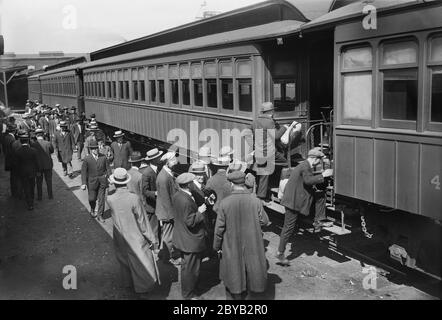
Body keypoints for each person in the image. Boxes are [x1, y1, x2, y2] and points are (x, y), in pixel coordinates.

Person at [214, 171, 270, 300]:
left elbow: (219, 229)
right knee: (251, 273)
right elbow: (265, 221)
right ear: (244, 183)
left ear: (231, 184)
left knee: (233, 274)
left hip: (231, 244)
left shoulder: (225, 203)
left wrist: (217, 246)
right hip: (252, 243)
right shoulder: (255, 201)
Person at [276, 148, 334, 266]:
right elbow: (308, 181)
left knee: (320, 196)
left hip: (294, 198)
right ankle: (280, 252)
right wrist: (323, 175)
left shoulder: (304, 165)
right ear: (314, 158)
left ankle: (318, 221)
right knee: (288, 228)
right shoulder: (305, 166)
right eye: (319, 160)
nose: (319, 163)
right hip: (293, 202)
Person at [106, 168, 159, 295]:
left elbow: (111, 192)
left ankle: (128, 285)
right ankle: (142, 289)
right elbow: (143, 221)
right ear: (126, 181)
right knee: (141, 263)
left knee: (124, 260)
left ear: (115, 182)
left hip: (119, 235)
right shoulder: (134, 198)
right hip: (135, 236)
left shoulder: (110, 199)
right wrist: (152, 239)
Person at [172, 172, 207, 300]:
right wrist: (200, 212)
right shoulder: (186, 200)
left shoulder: (178, 195)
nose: (193, 183)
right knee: (190, 270)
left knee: (188, 267)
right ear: (188, 184)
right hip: (190, 240)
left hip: (182, 237)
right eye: (191, 182)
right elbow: (190, 221)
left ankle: (190, 290)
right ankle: (188, 295)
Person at [249, 102, 287, 201]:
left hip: (259, 151)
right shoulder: (269, 121)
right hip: (269, 152)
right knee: (285, 162)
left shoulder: (255, 121)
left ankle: (261, 196)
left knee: (264, 173)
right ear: (271, 111)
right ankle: (281, 187)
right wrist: (284, 128)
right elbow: (276, 136)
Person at [156, 151, 180, 265]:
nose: (176, 161)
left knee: (167, 234)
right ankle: (167, 258)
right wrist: (172, 216)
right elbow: (165, 199)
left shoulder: (167, 174)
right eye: (173, 160)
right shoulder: (163, 178)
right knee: (168, 236)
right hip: (167, 212)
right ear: (167, 162)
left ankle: (163, 254)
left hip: (167, 211)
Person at [81, 140, 111, 222]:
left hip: (102, 182)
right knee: (92, 199)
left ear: (98, 148)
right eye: (93, 149)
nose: (95, 150)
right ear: (91, 150)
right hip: (91, 182)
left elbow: (108, 169)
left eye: (96, 148)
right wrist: (83, 183)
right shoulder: (87, 159)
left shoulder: (103, 157)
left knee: (101, 199)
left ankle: (100, 215)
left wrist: (110, 177)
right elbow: (83, 172)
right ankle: (92, 209)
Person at [140, 148, 164, 247]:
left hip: (157, 205)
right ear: (153, 160)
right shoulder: (147, 173)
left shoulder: (158, 169)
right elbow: (145, 191)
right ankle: (155, 249)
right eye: (158, 157)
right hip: (151, 206)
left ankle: (157, 246)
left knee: (158, 227)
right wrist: (155, 193)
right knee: (154, 228)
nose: (160, 158)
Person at [15, 132, 41, 210]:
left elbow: (16, 164)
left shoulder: (17, 151)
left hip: (22, 173)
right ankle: (31, 201)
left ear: (20, 141)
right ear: (28, 140)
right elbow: (37, 162)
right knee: (32, 186)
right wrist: (38, 171)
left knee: (26, 187)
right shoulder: (33, 150)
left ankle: (29, 203)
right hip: (32, 172)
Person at [32, 128, 54, 200]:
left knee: (39, 182)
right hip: (48, 165)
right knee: (49, 181)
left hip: (38, 167)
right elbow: (52, 151)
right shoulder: (48, 143)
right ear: (43, 134)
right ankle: (50, 196)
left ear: (36, 135)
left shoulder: (33, 144)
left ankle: (39, 197)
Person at [2, 124, 19, 197]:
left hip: (8, 159)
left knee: (13, 177)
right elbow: (14, 150)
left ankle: (14, 191)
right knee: (14, 177)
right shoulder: (12, 139)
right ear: (14, 131)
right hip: (13, 161)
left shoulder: (6, 137)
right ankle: (15, 192)